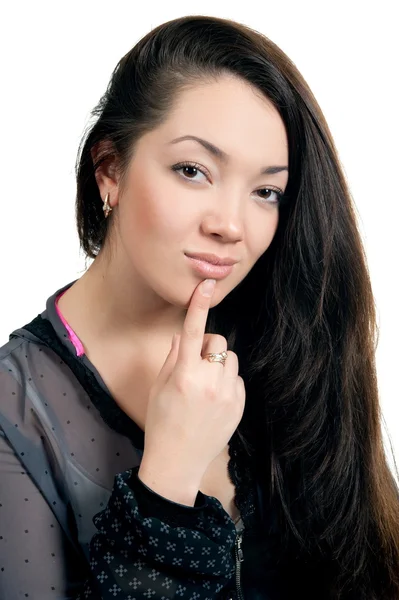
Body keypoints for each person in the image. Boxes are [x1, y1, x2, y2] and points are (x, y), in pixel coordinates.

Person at [1, 13, 398, 600]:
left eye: (266, 191)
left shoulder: (290, 349)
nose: (231, 225)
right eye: (193, 171)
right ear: (110, 170)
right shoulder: (17, 410)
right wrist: (168, 481)